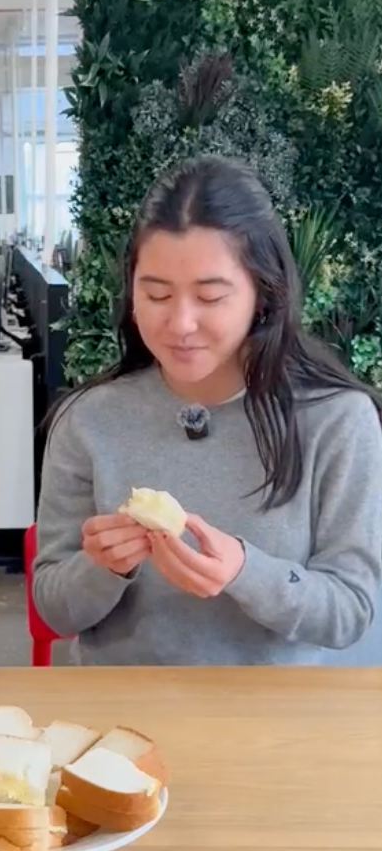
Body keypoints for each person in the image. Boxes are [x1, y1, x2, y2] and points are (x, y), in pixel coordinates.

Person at [33, 156, 382, 665]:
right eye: (156, 294)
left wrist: (246, 572)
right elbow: (55, 610)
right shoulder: (88, 420)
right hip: (120, 718)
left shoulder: (337, 420)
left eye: (211, 297)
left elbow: (350, 610)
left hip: (272, 723)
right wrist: (101, 568)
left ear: (263, 294)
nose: (180, 323)